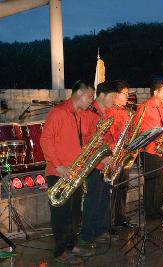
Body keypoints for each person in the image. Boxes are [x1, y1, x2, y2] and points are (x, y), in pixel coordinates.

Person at [40, 80, 95, 265]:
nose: (91, 100)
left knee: (74, 213)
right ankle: (61, 250)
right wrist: (58, 166)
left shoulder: (83, 115)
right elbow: (45, 140)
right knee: (61, 214)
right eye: (89, 96)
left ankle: (72, 245)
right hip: (59, 172)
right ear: (79, 93)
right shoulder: (58, 113)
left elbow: (85, 139)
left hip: (76, 171)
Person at [80, 82, 118, 248]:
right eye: (113, 96)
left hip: (105, 162)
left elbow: (107, 140)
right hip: (94, 164)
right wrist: (101, 158)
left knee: (103, 199)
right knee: (92, 200)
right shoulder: (89, 113)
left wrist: (112, 157)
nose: (115, 100)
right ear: (101, 95)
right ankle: (88, 236)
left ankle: (101, 230)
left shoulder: (104, 113)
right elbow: (86, 141)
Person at [134, 80, 163, 219]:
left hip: (161, 148)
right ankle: (149, 210)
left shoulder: (162, 106)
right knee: (151, 180)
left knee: (160, 179)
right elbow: (136, 127)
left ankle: (157, 207)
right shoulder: (144, 107)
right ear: (155, 92)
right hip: (149, 148)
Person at [107, 80, 136, 228]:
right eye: (125, 94)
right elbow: (111, 135)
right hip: (113, 156)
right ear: (115, 95)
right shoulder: (109, 112)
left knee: (123, 186)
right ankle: (109, 221)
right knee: (112, 188)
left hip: (125, 154)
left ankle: (120, 216)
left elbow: (129, 133)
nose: (127, 97)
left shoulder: (125, 112)